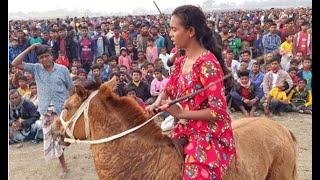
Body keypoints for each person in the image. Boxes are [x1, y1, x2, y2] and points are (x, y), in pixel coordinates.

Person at [146, 5, 236, 179]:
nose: (170, 34)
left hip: (208, 132)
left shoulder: (208, 65)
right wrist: (157, 102)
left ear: (191, 31)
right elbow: (169, 87)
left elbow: (217, 111)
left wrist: (182, 113)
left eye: (174, 29)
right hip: (185, 126)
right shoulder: (181, 60)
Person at [11, 44, 73, 178]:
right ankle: (64, 166)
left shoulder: (62, 70)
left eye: (46, 56)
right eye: (41, 57)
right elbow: (15, 62)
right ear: (38, 59)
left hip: (61, 109)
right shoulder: (36, 69)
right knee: (54, 139)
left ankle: (62, 151)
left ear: (51, 56)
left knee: (63, 139)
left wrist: (70, 106)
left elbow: (71, 88)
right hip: (46, 112)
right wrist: (31, 48)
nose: (44, 59)